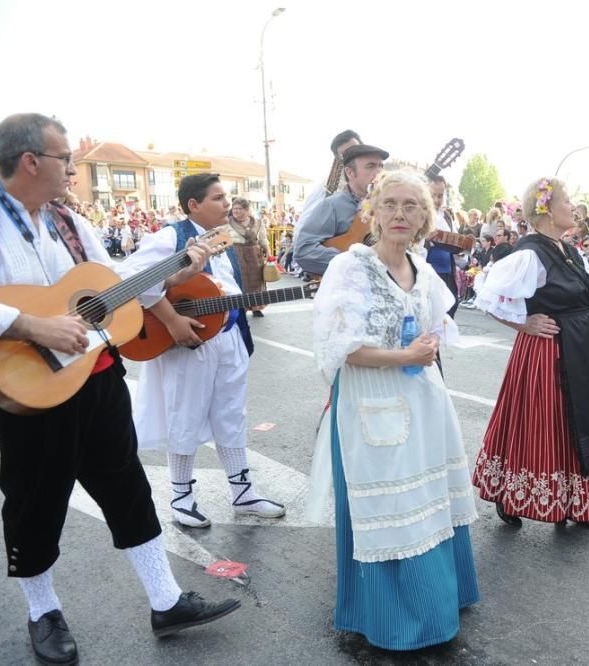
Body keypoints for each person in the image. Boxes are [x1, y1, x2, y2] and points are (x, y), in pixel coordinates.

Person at [0, 114, 239, 665]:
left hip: (96, 376)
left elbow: (109, 286)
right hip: (28, 385)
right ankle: (41, 611)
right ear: (31, 161)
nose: (72, 168)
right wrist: (30, 325)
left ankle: (166, 601)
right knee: (33, 503)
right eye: (64, 158)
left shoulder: (69, 221)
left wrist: (171, 272)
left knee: (126, 487)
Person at [306, 170, 478, 650]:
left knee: (426, 502)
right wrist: (405, 355)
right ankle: (389, 618)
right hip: (370, 400)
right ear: (373, 212)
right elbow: (340, 348)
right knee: (386, 505)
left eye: (411, 206)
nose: (400, 214)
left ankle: (439, 600)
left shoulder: (422, 268)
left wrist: (426, 343)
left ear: (425, 216)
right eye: (390, 204)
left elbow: (437, 322)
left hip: (423, 399)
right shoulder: (351, 268)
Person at [118, 173, 285, 527]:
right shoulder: (170, 236)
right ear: (194, 205)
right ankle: (181, 497)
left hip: (228, 338)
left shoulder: (222, 239)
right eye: (218, 197)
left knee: (231, 413)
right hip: (190, 342)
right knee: (185, 413)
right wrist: (172, 319)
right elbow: (130, 278)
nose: (227, 204)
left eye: (226, 197)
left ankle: (243, 492)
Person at [472, 177, 589, 529]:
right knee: (540, 425)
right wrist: (524, 324)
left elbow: (588, 301)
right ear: (547, 210)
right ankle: (511, 494)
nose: (573, 206)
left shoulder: (567, 251)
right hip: (548, 351)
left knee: (580, 423)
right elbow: (488, 295)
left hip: (582, 346)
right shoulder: (529, 253)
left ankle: (578, 503)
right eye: (567, 200)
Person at [294, 144, 388, 277]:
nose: (378, 172)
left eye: (381, 166)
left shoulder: (389, 207)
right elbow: (304, 251)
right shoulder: (331, 206)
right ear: (350, 173)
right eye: (371, 166)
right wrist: (352, 262)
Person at [424, 174, 465, 318]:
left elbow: (455, 238)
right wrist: (426, 240)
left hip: (447, 271)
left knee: (449, 309)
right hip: (428, 271)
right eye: (432, 195)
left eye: (440, 196)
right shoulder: (418, 213)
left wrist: (461, 247)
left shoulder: (447, 215)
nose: (436, 200)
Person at [226, 197, 270, 317]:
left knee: (256, 282)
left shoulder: (257, 222)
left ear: (246, 210)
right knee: (240, 281)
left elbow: (263, 238)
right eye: (234, 209)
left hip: (255, 254)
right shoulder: (227, 222)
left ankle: (257, 307)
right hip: (236, 253)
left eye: (239, 209)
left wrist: (268, 251)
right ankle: (242, 308)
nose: (236, 211)